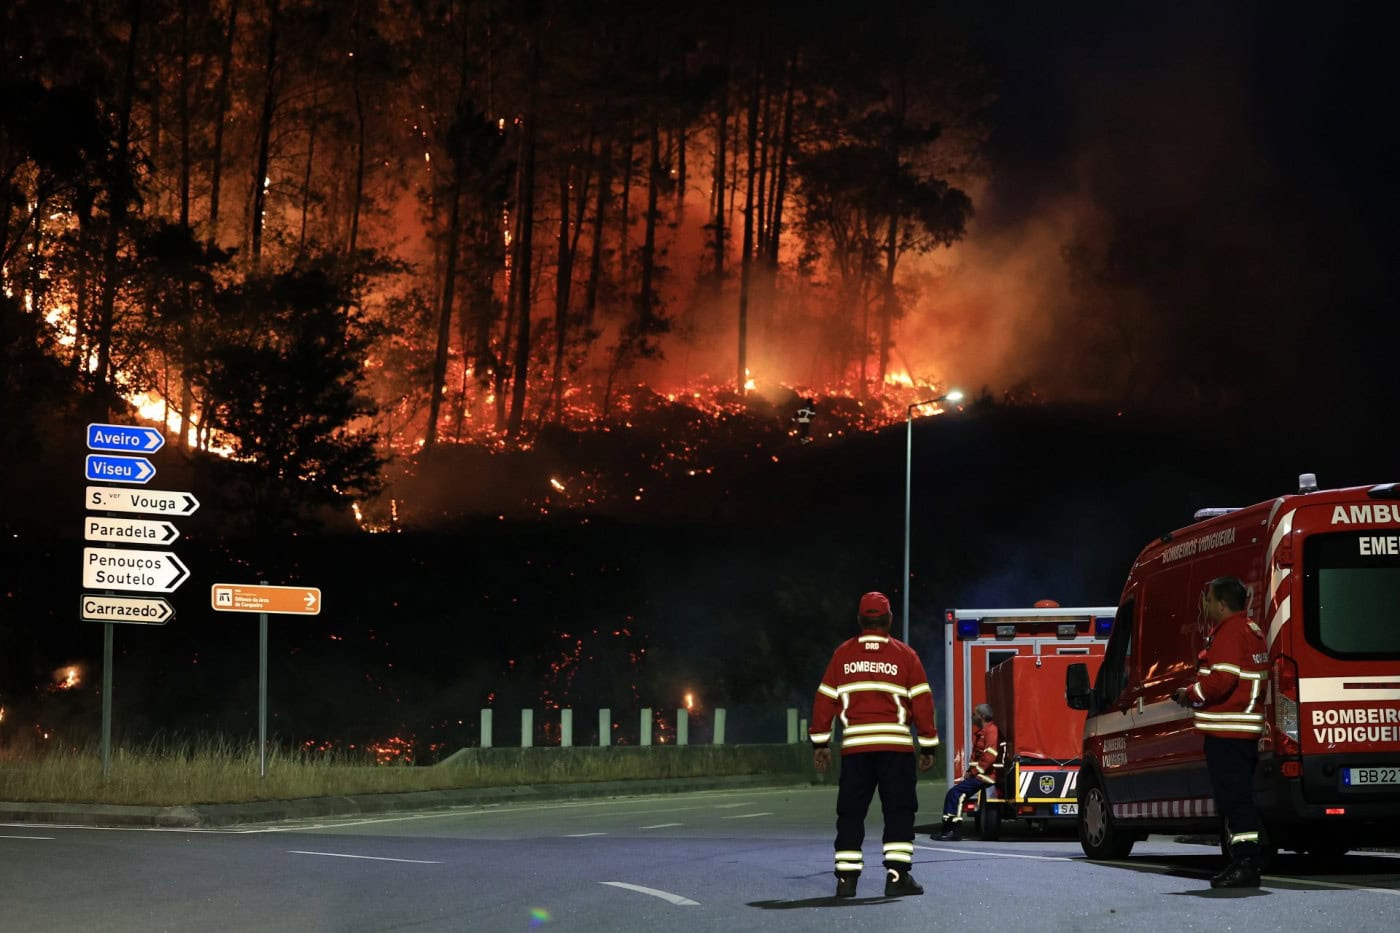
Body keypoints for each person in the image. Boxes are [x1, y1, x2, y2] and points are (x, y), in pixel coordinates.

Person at [810, 591, 938, 898]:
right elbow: (922, 702)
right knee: (899, 811)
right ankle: (897, 877)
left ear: (860, 620)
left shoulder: (842, 654)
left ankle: (846, 880)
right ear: (889, 620)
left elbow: (824, 700)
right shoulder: (905, 655)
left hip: (856, 749)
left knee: (851, 813)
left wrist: (820, 744)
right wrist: (929, 745)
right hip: (896, 748)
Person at [1172, 575, 1269, 889]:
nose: (1206, 604)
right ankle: (1243, 861)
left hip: (1228, 733)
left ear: (1222, 604)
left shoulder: (1229, 633)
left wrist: (1190, 693)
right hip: (1241, 730)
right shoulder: (1250, 630)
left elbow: (1221, 682)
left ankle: (1245, 864)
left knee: (1235, 802)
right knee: (1237, 801)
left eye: (1209, 599)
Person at [935, 703, 1000, 840]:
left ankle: (953, 830)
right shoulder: (984, 732)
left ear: (981, 716)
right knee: (953, 794)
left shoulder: (991, 731)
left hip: (985, 776)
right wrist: (970, 771)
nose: (972, 717)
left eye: (975, 714)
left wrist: (974, 772)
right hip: (980, 775)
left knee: (956, 794)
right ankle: (948, 829)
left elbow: (990, 755)